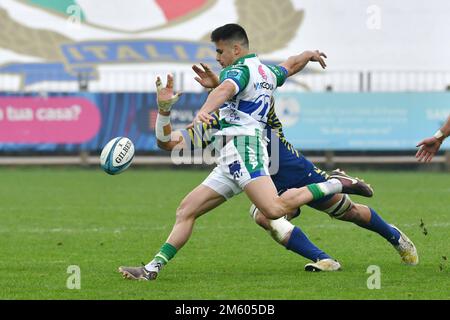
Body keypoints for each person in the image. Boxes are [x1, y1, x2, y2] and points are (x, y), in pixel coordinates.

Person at [118, 23, 373, 280]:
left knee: (272, 210)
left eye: (220, 52)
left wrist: (204, 109)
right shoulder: (266, 72)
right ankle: (151, 269)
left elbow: (225, 89)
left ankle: (335, 184)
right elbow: (291, 65)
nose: (217, 58)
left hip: (244, 146)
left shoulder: (239, 70)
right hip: (230, 155)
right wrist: (164, 110)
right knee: (187, 210)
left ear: (236, 49)